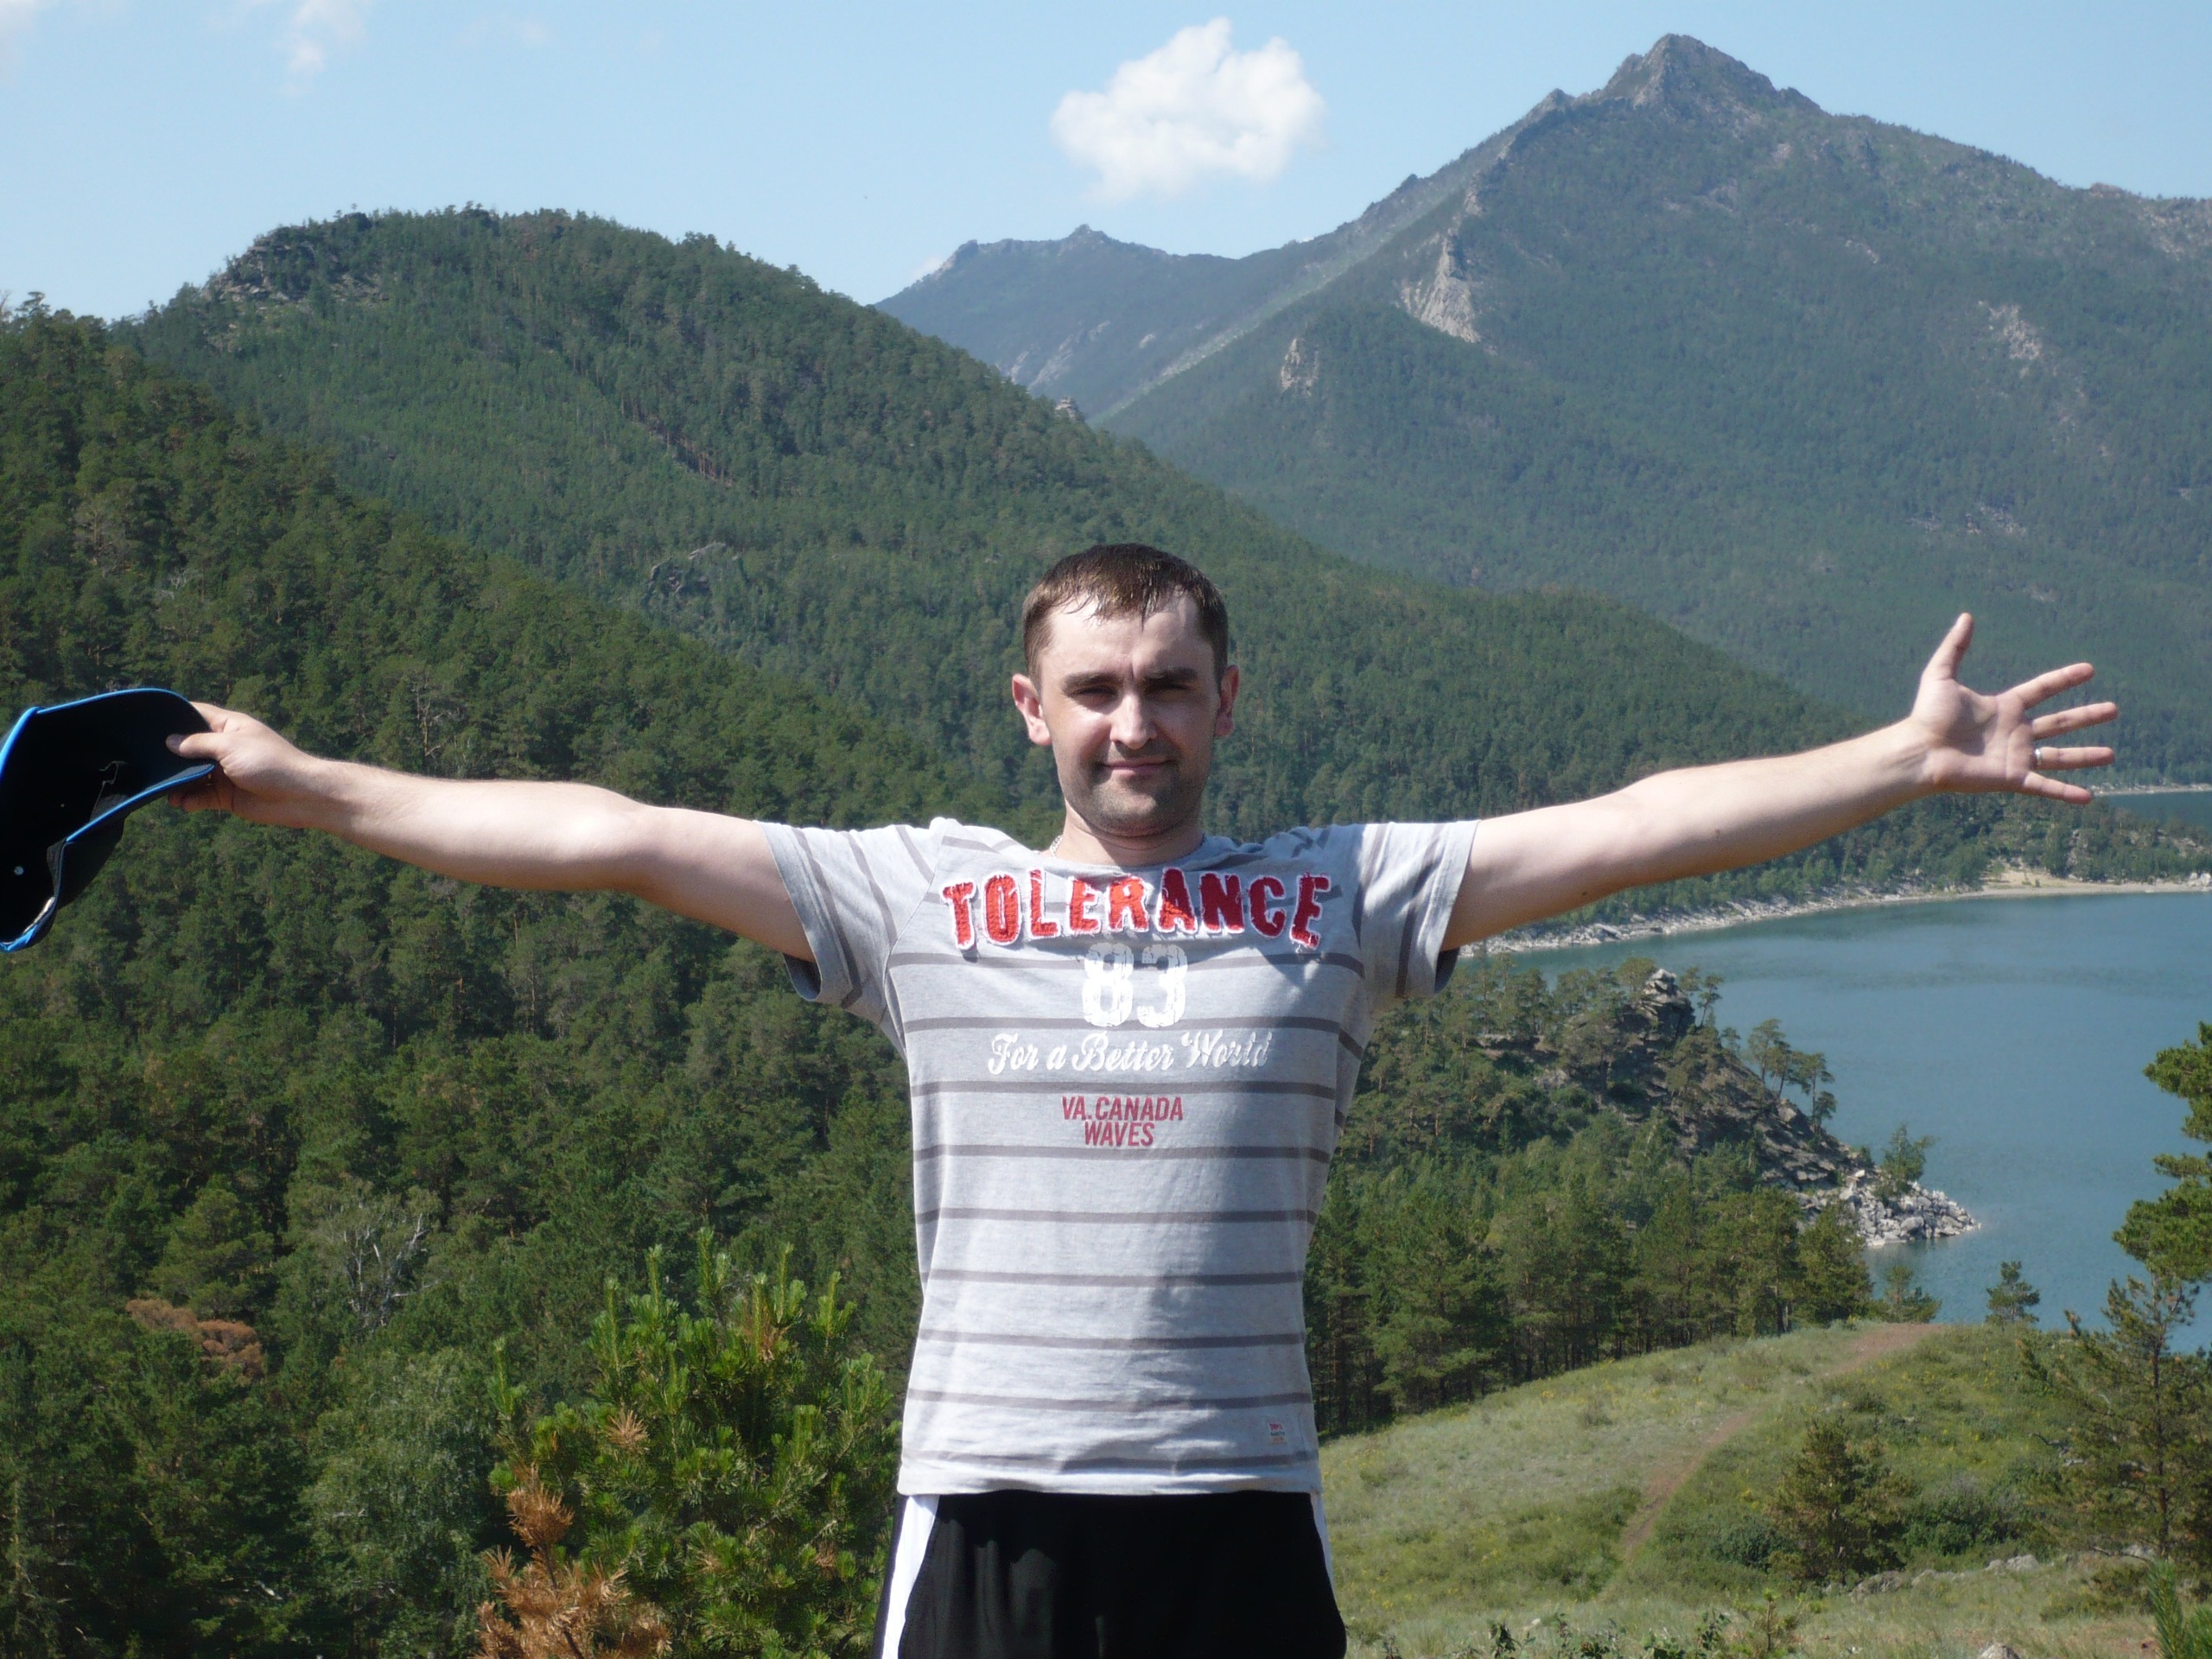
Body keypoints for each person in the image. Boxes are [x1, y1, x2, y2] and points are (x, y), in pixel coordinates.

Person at [168, 543, 2115, 1658]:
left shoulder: (1339, 895)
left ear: (1223, 702)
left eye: (1168, 686)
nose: (1132, 722)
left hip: (1239, 1510)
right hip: (989, 1508)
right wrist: (314, 785)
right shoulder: (916, 896)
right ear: (1032, 710)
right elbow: (609, 833)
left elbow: (1630, 828)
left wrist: (1895, 763)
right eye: (1095, 688)